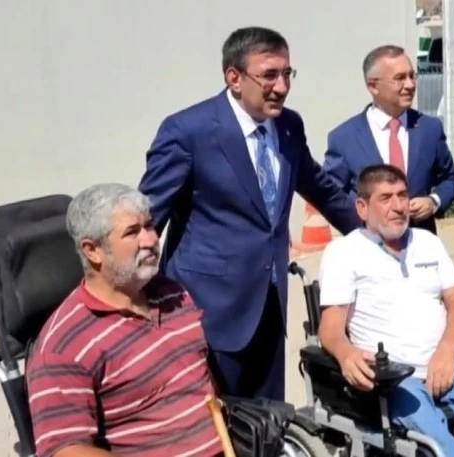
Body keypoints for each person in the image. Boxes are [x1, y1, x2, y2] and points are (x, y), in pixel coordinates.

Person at [138, 26, 361, 401]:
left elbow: (319, 186)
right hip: (207, 313)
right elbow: (147, 218)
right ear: (234, 78)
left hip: (269, 305)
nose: (282, 86)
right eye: (269, 75)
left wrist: (375, 233)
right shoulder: (188, 131)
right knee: (213, 422)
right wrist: (125, 294)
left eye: (287, 73)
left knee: (267, 421)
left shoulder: (288, 126)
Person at [317, 164, 454, 457]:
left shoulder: (427, 243)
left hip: (444, 365)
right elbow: (330, 327)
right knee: (425, 423)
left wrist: (447, 347)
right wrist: (345, 354)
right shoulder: (344, 253)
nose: (398, 206)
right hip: (394, 381)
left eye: (402, 195)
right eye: (386, 198)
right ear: (362, 208)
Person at [26, 184, 223, 457]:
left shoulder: (173, 294)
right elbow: (65, 450)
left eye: (149, 226)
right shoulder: (64, 346)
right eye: (132, 232)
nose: (150, 240)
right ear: (92, 250)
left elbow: (200, 379)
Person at [322, 44, 454, 234]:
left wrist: (433, 201)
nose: (410, 85)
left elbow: (450, 179)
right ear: (373, 86)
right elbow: (331, 197)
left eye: (412, 76)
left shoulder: (430, 129)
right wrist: (364, 223)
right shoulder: (344, 138)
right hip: (368, 244)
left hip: (418, 241)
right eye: (400, 78)